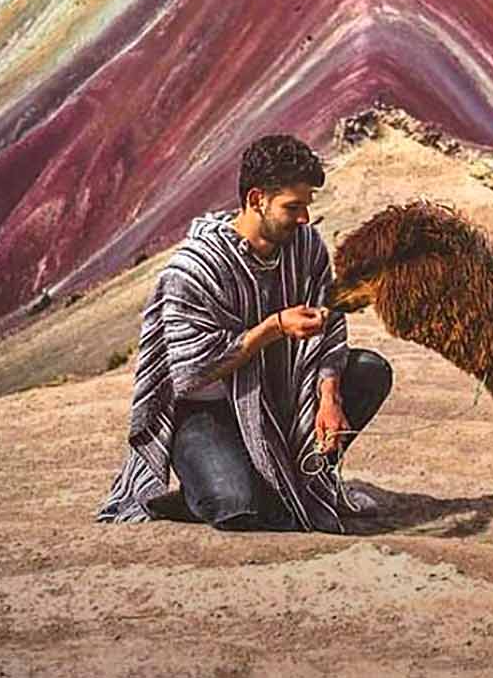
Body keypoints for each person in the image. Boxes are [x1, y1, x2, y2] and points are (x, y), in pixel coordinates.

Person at [97, 134, 393, 531]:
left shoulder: (305, 248)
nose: (305, 218)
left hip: (277, 398)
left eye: (307, 205)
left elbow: (331, 326)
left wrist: (328, 394)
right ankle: (208, 490)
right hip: (205, 409)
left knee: (370, 369)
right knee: (237, 506)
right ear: (257, 200)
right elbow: (192, 371)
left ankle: (307, 475)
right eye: (293, 207)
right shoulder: (194, 269)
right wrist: (273, 328)